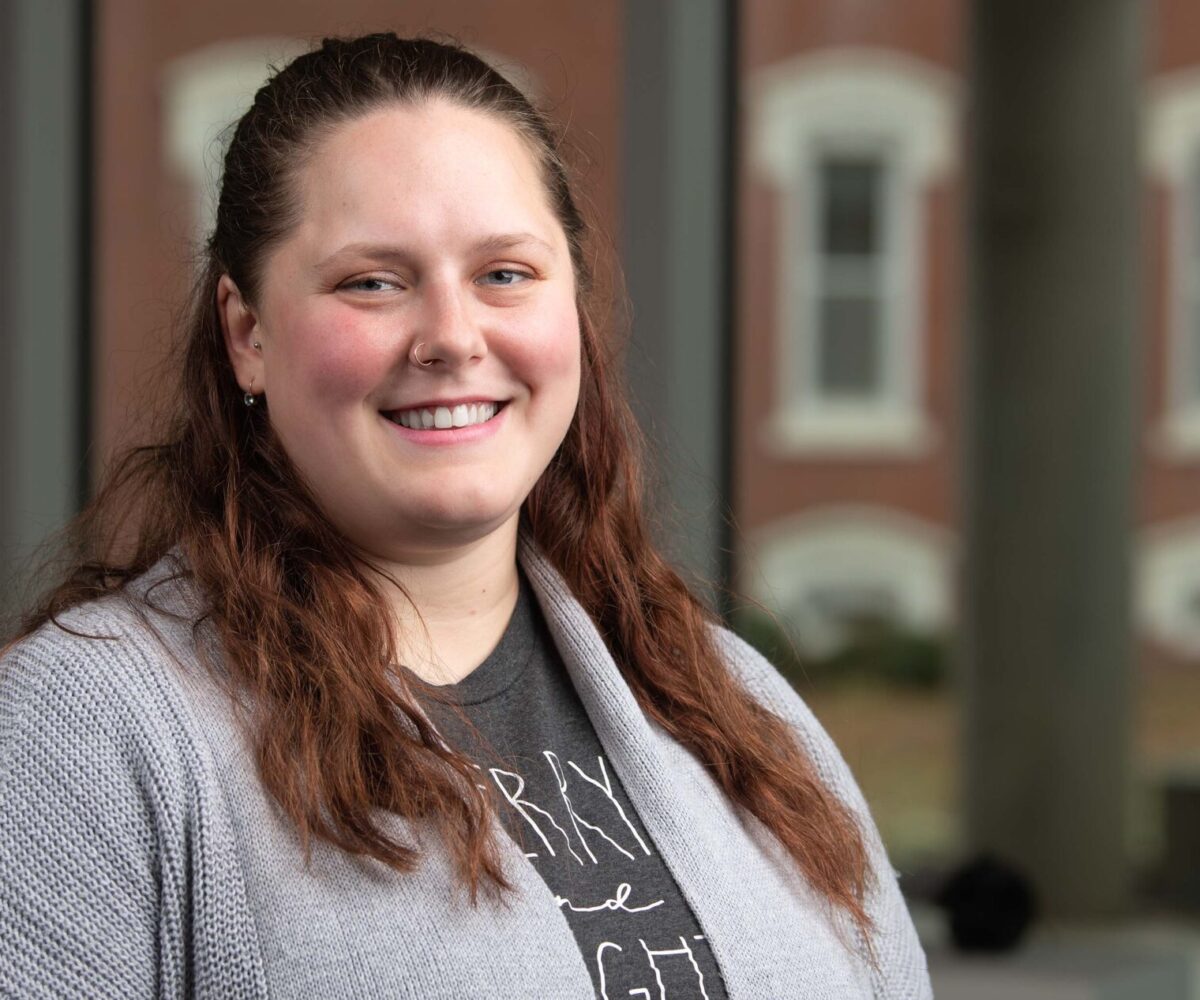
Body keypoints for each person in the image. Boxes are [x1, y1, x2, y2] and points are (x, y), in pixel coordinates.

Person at [0, 33, 931, 999]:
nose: (451, 336)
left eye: (505, 274)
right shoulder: (89, 734)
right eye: (373, 281)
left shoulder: (733, 705)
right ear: (248, 334)